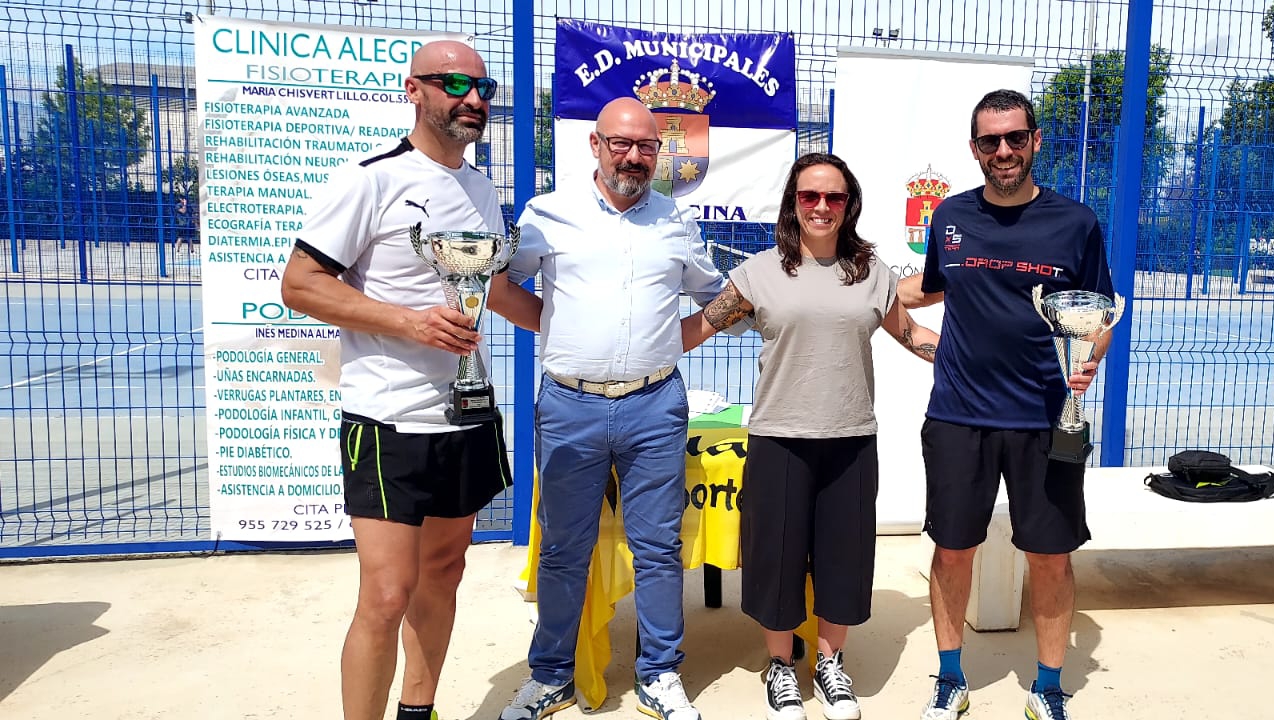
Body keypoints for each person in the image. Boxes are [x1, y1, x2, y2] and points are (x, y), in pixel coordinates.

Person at [280, 40, 539, 720]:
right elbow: (300, 285)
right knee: (387, 594)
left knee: (444, 574)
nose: (473, 98)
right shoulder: (370, 179)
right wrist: (409, 323)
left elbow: (493, 288)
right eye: (454, 83)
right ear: (414, 90)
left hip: (467, 413)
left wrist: (574, 333)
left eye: (482, 87)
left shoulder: (481, 189)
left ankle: (418, 712)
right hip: (388, 418)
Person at [494, 96, 735, 720]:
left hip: (655, 405)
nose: (633, 156)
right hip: (568, 405)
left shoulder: (675, 221)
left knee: (657, 549)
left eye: (646, 146)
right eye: (621, 143)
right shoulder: (548, 214)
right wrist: (556, 331)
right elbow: (497, 287)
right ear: (595, 145)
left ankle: (660, 673)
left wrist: (679, 339)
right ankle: (550, 676)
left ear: (659, 153)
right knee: (561, 549)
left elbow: (715, 294)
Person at [680, 152, 940, 720]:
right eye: (809, 196)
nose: (822, 206)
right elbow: (698, 328)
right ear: (792, 203)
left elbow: (912, 334)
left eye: (834, 197)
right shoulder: (758, 273)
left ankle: (830, 664)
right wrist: (629, 354)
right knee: (775, 560)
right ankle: (780, 665)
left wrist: (977, 363)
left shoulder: (872, 273)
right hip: (778, 438)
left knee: (844, 559)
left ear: (849, 205)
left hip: (850, 437)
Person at [898, 89, 1115, 720]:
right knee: (952, 550)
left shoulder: (1076, 223)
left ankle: (1048, 686)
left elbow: (1099, 313)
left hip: (1045, 420)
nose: (1003, 151)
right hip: (958, 417)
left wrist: (1089, 357)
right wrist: (855, 285)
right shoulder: (950, 216)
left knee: (1049, 556)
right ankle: (950, 678)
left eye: (1015, 137)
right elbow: (929, 287)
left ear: (1035, 141)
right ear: (974, 149)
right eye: (990, 141)